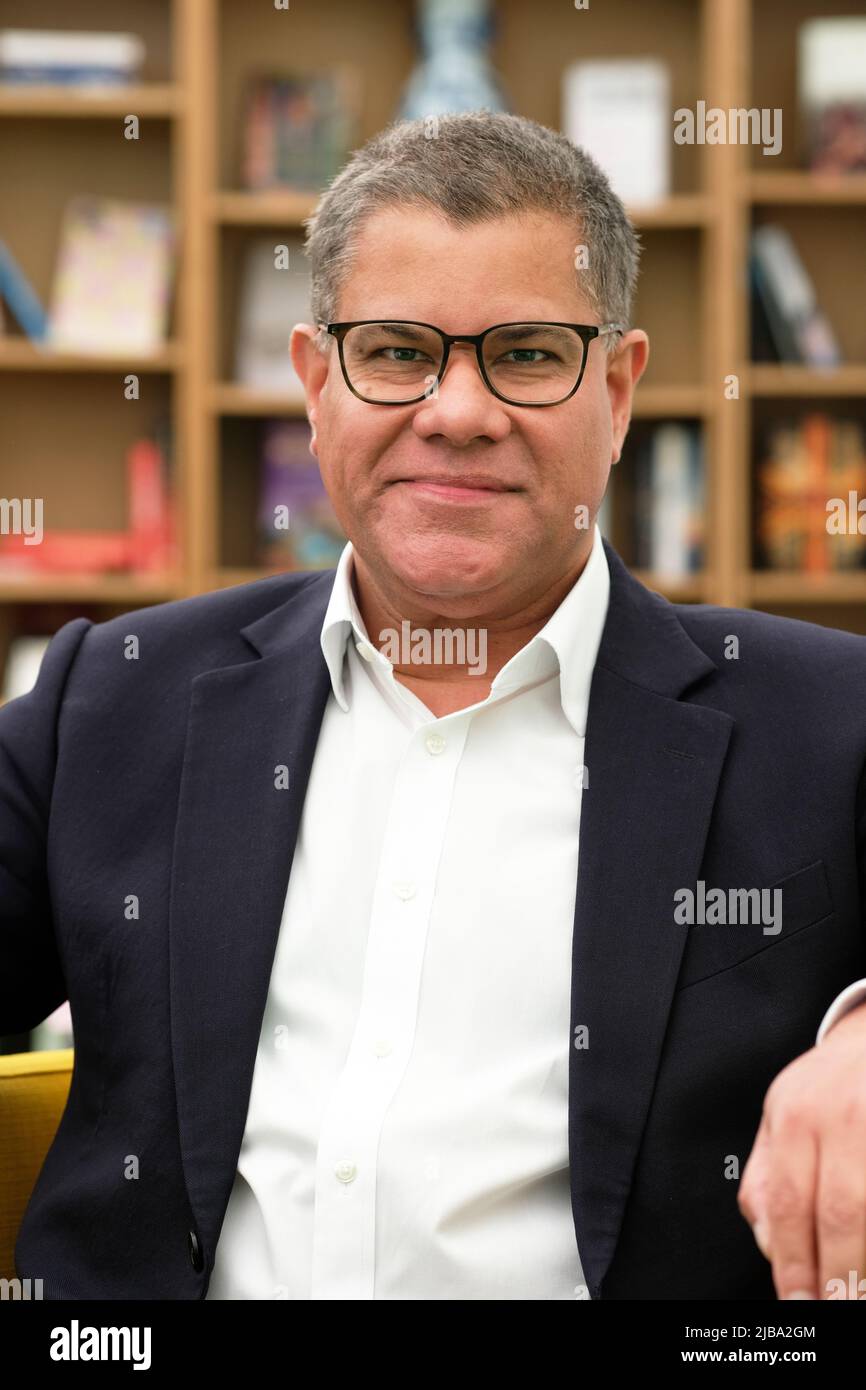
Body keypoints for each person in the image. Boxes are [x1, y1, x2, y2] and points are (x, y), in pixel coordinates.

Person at [3, 111, 866, 1302]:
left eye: (524, 353)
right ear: (316, 384)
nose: (456, 411)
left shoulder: (827, 723)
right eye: (398, 351)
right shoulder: (115, 696)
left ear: (615, 391)